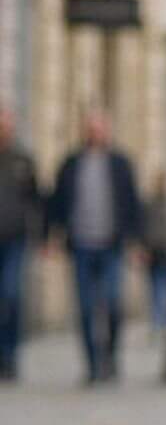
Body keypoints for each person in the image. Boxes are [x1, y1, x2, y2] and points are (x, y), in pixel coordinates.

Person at [46, 111, 144, 384]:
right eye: (91, 129)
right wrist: (52, 237)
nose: (95, 133)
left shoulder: (120, 164)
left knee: (112, 303)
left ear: (108, 131)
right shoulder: (71, 163)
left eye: (100, 128)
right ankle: (92, 365)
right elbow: (57, 203)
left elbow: (132, 204)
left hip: (112, 245)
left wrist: (136, 242)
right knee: (87, 307)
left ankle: (110, 355)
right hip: (81, 244)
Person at [0, 108, 43, 381]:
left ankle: (10, 355)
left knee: (12, 295)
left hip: (15, 240)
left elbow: (35, 201)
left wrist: (38, 235)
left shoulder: (22, 161)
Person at [142, 173, 166, 335]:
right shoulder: (150, 204)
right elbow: (145, 227)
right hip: (155, 251)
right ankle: (158, 321)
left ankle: (163, 321)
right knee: (156, 286)